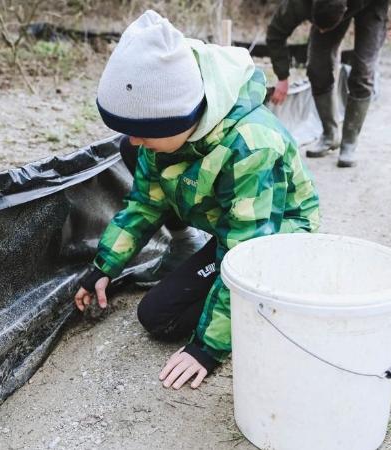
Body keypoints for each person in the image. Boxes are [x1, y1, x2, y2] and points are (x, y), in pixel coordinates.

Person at [73, 10, 320, 390]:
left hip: (272, 235)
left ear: (180, 119)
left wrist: (206, 349)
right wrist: (103, 266)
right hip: (222, 216)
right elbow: (145, 202)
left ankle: (284, 294)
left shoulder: (250, 148)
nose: (136, 141)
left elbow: (246, 252)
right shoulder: (169, 115)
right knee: (133, 153)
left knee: (159, 317)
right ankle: (191, 246)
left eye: (145, 132)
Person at [267, 0, 391, 167]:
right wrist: (282, 77)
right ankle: (330, 134)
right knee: (318, 67)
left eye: (324, 28)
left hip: (373, 4)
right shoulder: (300, 4)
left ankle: (349, 143)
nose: (320, 31)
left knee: (363, 70)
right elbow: (275, 32)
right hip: (329, 7)